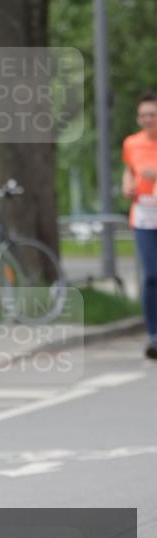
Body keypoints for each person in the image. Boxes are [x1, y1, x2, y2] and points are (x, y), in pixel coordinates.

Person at [121, 91, 157, 359]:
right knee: (151, 276)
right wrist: (127, 183)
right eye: (143, 115)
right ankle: (154, 335)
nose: (147, 119)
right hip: (144, 214)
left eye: (152, 115)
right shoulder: (132, 143)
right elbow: (129, 169)